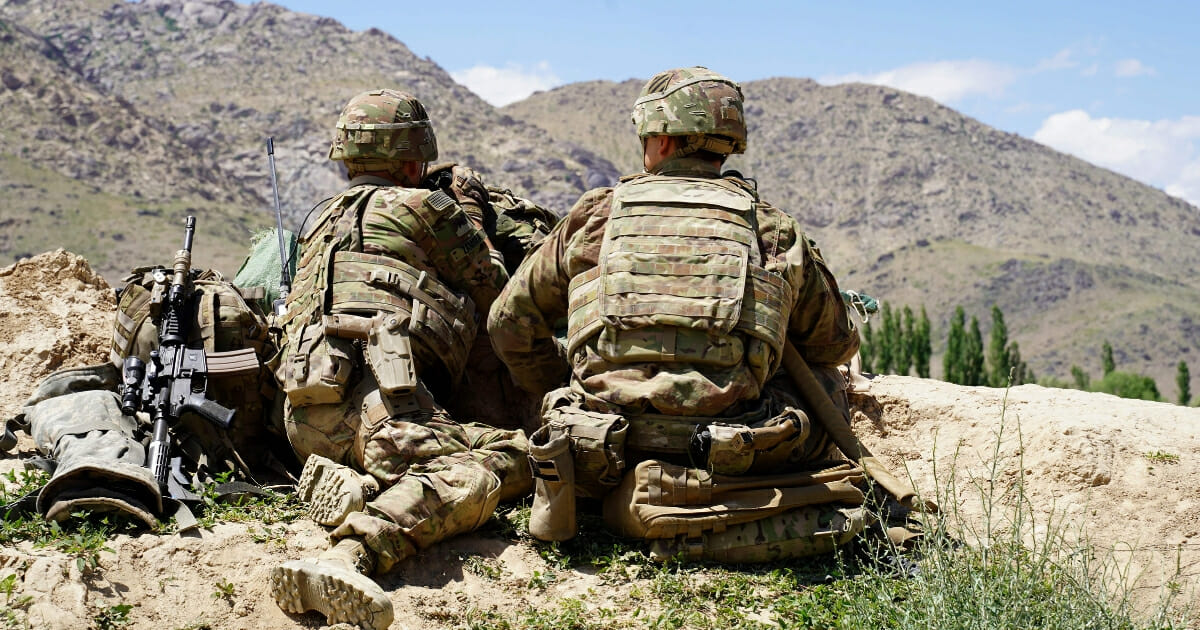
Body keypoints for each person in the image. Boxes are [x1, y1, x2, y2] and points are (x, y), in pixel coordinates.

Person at [487, 67, 869, 562]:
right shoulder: (770, 226)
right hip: (734, 447)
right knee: (827, 386)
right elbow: (834, 345)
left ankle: (632, 492)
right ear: (728, 143)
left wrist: (561, 379)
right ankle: (702, 500)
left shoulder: (595, 216)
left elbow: (509, 325)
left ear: (663, 141)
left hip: (599, 446)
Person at [268, 89, 532, 630]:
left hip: (303, 419)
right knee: (502, 462)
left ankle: (362, 483)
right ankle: (351, 553)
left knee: (477, 442)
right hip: (384, 410)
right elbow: (498, 292)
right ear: (415, 160)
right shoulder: (426, 206)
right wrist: (471, 213)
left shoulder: (318, 221)